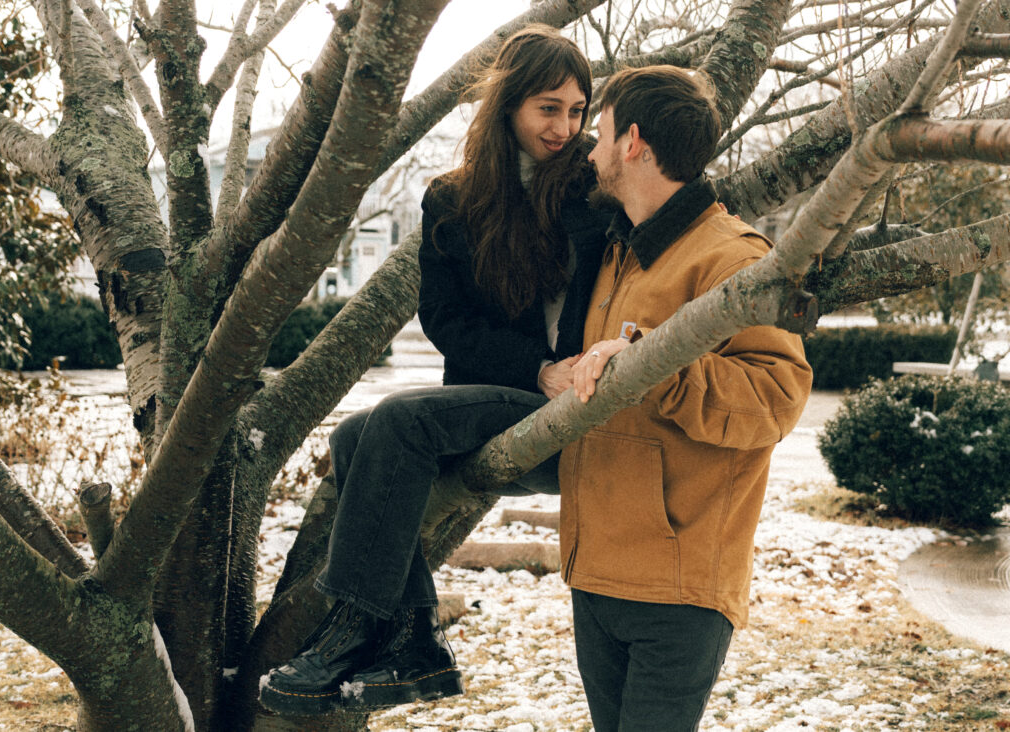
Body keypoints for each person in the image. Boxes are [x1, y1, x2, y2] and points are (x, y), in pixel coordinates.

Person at [258, 25, 611, 717]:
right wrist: (539, 370)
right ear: (508, 104)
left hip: (583, 410)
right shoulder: (452, 198)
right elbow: (447, 322)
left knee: (394, 422)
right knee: (351, 438)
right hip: (513, 393)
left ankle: (357, 633)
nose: (565, 126)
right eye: (549, 108)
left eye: (577, 109)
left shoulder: (596, 187)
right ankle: (414, 638)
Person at [561, 66, 813, 731]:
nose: (590, 150)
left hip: (678, 584)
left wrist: (654, 365)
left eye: (601, 132)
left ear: (633, 141)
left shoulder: (733, 258)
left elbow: (777, 395)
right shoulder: (617, 251)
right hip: (596, 573)